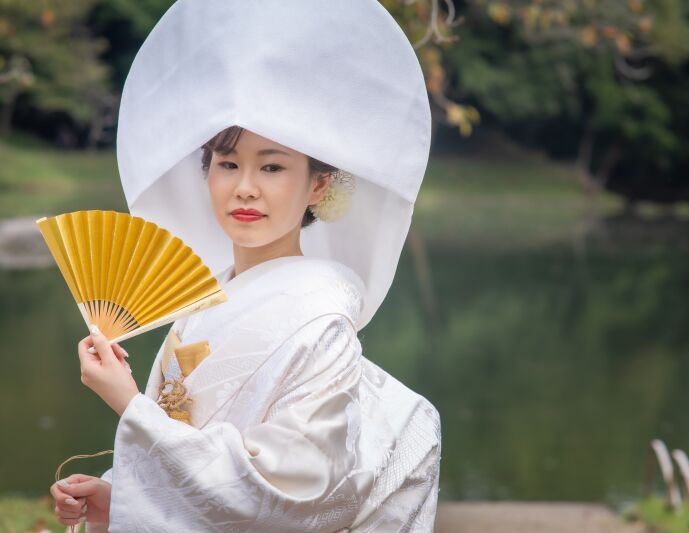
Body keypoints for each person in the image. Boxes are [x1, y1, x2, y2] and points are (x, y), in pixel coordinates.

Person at [48, 1, 441, 531]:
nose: (245, 187)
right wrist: (115, 499)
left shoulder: (322, 325)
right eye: (228, 164)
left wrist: (128, 403)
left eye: (273, 166)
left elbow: (286, 493)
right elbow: (182, 457)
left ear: (318, 185)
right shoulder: (200, 305)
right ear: (206, 174)